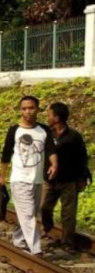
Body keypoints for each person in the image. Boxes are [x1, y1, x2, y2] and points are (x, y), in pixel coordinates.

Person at [0, 95, 58, 256]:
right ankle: (35, 248)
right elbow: (6, 154)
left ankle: (18, 239)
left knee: (29, 213)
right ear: (20, 110)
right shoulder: (14, 130)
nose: (28, 111)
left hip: (37, 178)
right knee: (28, 214)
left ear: (37, 109)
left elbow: (50, 149)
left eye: (31, 108)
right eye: (24, 108)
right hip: (19, 178)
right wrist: (2, 176)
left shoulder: (44, 130)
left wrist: (54, 164)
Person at [41, 102, 89, 250]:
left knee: (68, 213)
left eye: (49, 115)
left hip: (69, 180)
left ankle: (67, 242)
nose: (47, 117)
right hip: (49, 180)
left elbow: (82, 158)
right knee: (44, 207)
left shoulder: (74, 136)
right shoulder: (45, 134)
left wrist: (83, 178)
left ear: (57, 118)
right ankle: (47, 226)